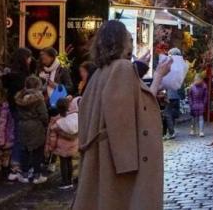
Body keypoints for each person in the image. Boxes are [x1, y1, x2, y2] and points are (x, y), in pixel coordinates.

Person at [74, 20, 172, 210]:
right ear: (121, 41)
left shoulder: (99, 73)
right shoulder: (122, 68)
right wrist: (159, 75)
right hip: (114, 162)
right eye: (128, 36)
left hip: (101, 157)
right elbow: (130, 114)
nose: (131, 40)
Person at [1, 47, 35, 181]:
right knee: (21, 137)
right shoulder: (22, 76)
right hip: (23, 109)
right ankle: (18, 167)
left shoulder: (9, 74)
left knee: (17, 135)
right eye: (28, 58)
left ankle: (17, 166)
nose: (30, 60)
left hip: (13, 108)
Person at [15, 75, 49, 184]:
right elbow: (43, 115)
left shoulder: (19, 98)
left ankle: (24, 174)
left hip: (22, 125)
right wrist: (45, 124)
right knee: (37, 150)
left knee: (24, 149)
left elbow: (17, 114)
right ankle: (36, 175)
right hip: (36, 125)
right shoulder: (38, 99)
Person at [45, 97, 79, 189]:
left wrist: (51, 148)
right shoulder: (74, 118)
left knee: (63, 163)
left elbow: (53, 138)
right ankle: (70, 180)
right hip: (72, 145)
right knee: (69, 162)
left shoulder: (57, 123)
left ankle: (65, 182)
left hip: (62, 146)